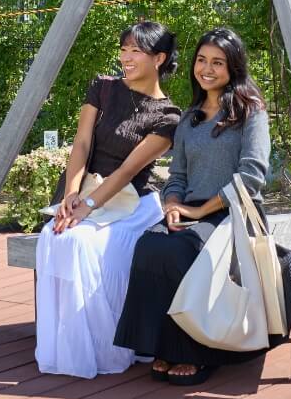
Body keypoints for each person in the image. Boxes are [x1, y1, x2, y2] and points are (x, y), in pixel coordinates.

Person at [114, 26, 273, 386]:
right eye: (202, 60)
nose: (207, 69)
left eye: (218, 62)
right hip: (190, 210)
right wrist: (172, 203)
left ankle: (199, 353)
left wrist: (200, 212)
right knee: (151, 243)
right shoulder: (190, 118)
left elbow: (252, 176)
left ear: (234, 67)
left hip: (235, 212)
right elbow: (178, 175)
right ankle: (165, 346)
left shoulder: (252, 112)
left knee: (185, 249)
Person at [34, 21, 183, 378]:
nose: (126, 57)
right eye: (124, 49)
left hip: (131, 202)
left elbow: (128, 171)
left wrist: (88, 207)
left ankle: (106, 350)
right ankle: (68, 345)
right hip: (85, 189)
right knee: (53, 236)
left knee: (82, 243)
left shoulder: (169, 117)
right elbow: (82, 143)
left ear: (159, 58)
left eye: (136, 51)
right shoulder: (102, 87)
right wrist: (71, 195)